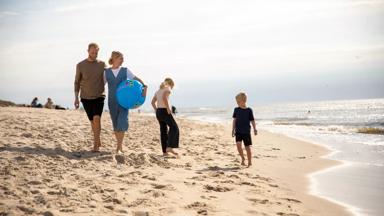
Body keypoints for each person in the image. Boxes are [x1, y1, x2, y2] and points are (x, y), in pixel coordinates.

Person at [104, 51, 147, 153]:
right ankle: (119, 145)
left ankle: (119, 146)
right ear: (114, 58)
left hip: (125, 102)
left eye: (122, 58)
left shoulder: (125, 70)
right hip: (112, 101)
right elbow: (101, 85)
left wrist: (144, 85)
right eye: (120, 58)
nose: (122, 60)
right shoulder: (106, 72)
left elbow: (135, 79)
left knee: (122, 122)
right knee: (115, 124)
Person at [74, 43, 106, 152]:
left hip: (99, 96)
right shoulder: (80, 65)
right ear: (87, 51)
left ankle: (95, 146)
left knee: (97, 119)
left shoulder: (102, 64)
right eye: (92, 52)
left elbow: (109, 77)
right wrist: (76, 98)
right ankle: (98, 139)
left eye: (96, 52)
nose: (95, 54)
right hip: (85, 97)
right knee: (92, 121)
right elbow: (77, 82)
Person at [151, 78, 179, 157]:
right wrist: (168, 109)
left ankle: (165, 152)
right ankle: (169, 147)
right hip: (165, 111)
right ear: (171, 83)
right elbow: (164, 98)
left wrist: (156, 110)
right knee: (174, 128)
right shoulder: (168, 88)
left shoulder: (158, 91)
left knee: (163, 131)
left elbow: (152, 102)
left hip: (159, 112)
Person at [232, 92, 257, 167]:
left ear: (244, 101)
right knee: (238, 145)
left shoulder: (249, 110)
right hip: (238, 131)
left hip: (246, 132)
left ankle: (249, 162)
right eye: (237, 102)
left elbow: (252, 120)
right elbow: (234, 120)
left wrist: (255, 129)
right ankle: (243, 158)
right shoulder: (236, 109)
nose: (237, 103)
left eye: (238, 102)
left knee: (247, 147)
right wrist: (233, 129)